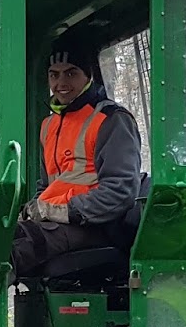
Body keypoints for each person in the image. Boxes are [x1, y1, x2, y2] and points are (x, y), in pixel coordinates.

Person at [11, 43, 143, 278]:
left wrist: (64, 212)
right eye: (54, 75)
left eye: (71, 73)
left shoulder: (111, 120)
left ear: (88, 76)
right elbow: (47, 186)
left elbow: (120, 192)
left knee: (15, 247)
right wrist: (34, 209)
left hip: (97, 225)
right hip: (60, 223)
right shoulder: (49, 126)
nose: (61, 83)